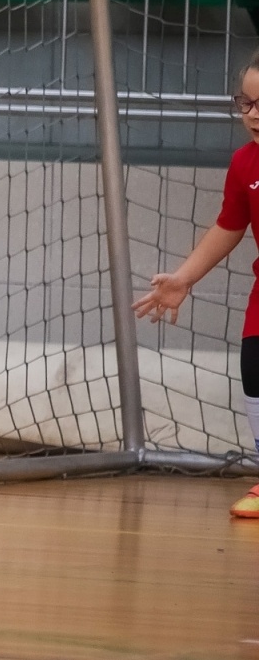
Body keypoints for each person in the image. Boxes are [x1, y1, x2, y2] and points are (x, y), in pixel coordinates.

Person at [134, 50, 259, 519]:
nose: (254, 115)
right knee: (256, 371)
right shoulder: (245, 164)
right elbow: (229, 225)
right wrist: (183, 278)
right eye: (245, 103)